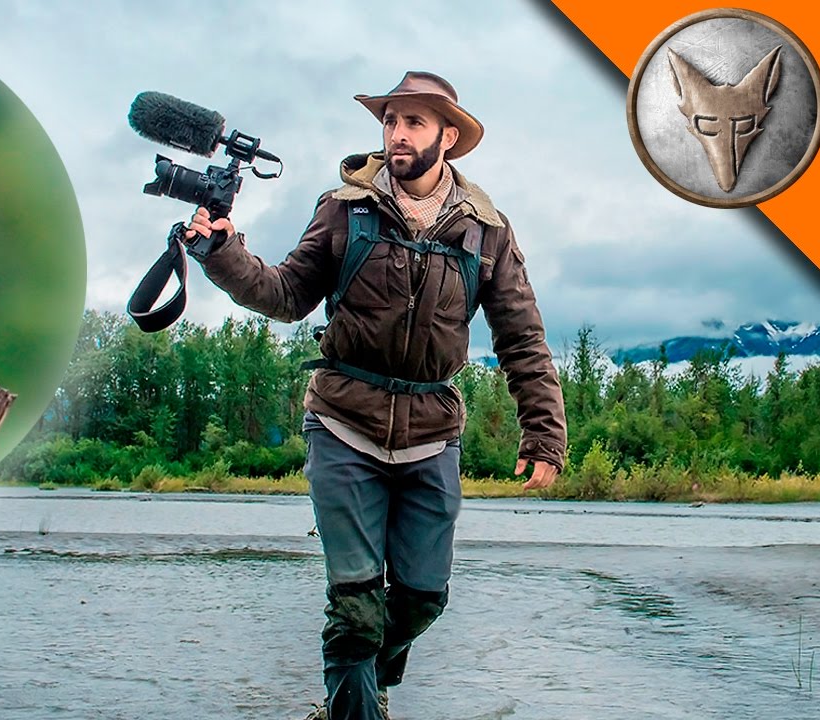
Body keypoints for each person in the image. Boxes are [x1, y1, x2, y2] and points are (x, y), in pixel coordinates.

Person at [184, 71, 567, 720]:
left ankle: (366, 683)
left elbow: (522, 338)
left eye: (413, 122)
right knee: (357, 605)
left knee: (421, 598)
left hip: (431, 435)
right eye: (389, 121)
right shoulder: (343, 209)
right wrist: (223, 252)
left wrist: (544, 435)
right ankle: (353, 704)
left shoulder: (486, 232)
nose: (396, 134)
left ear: (448, 135)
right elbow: (286, 294)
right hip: (342, 424)